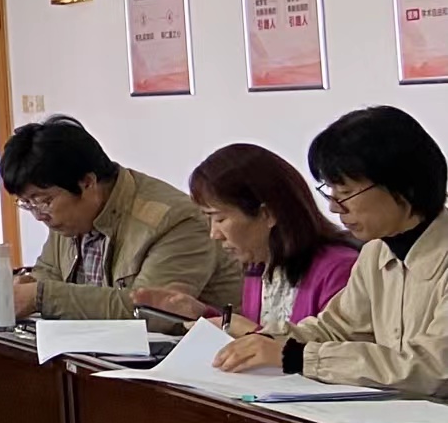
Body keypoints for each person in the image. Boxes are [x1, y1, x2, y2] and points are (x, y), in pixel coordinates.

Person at [215, 107, 448, 392]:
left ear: (405, 185)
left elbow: (434, 367)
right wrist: (264, 341)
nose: (335, 207)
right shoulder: (376, 252)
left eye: (346, 193)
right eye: (330, 192)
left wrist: (298, 357)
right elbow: (336, 329)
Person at [0, 116, 241, 320]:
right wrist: (27, 285)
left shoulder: (175, 219)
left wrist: (42, 297)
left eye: (43, 200)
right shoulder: (67, 218)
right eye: (27, 204)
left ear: (87, 183)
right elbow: (49, 272)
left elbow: (156, 314)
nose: (38, 215)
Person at [131, 142, 356, 335]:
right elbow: (254, 338)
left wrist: (242, 331)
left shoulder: (339, 270)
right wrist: (202, 315)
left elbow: (332, 357)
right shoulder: (259, 266)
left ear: (268, 214)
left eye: (219, 219)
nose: (214, 234)